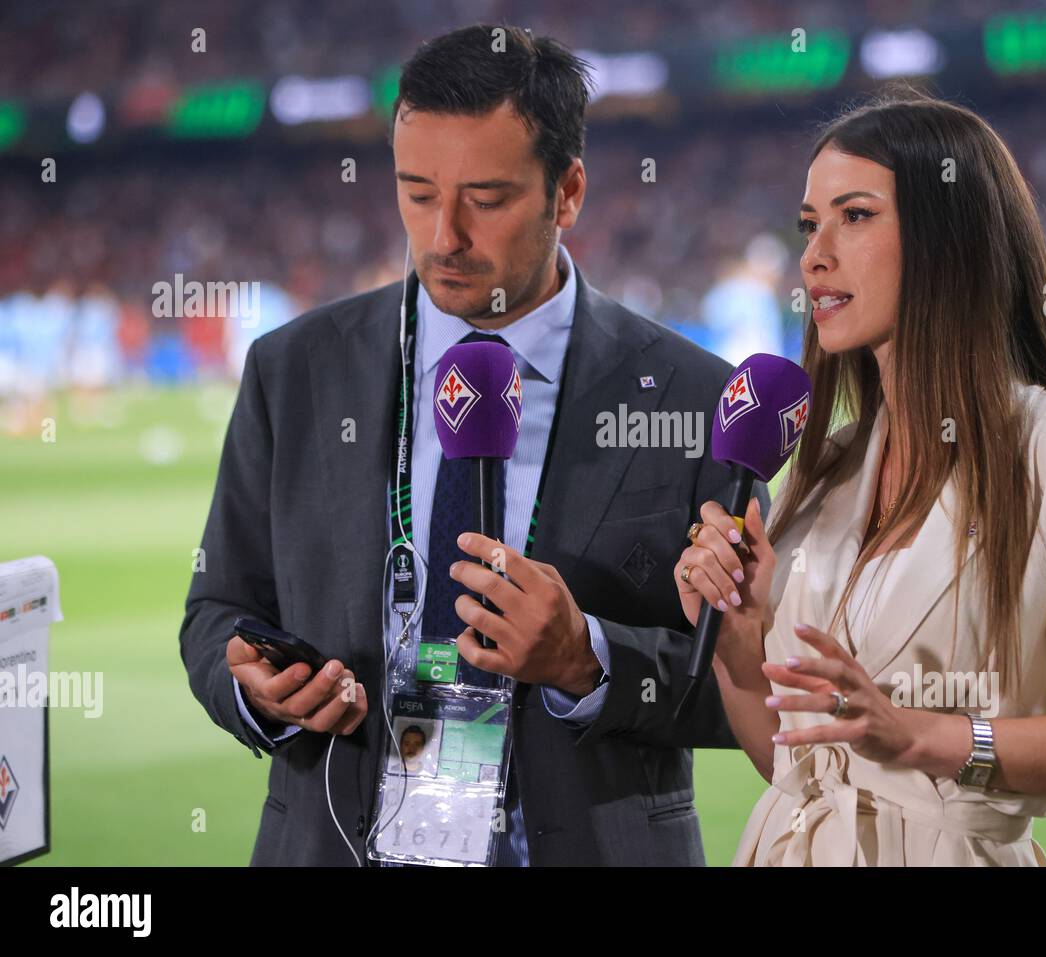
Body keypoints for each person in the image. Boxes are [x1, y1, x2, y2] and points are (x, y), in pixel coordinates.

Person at [180, 24, 763, 867]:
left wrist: (588, 660)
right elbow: (215, 608)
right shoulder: (294, 370)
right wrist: (254, 686)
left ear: (568, 194)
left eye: (485, 199)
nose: (444, 233)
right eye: (417, 193)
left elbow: (743, 684)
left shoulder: (694, 396)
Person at [674, 92, 1046, 866]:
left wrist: (926, 736)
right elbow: (793, 766)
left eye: (854, 216)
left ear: (948, 237)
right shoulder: (828, 466)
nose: (814, 255)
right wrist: (737, 644)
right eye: (809, 224)